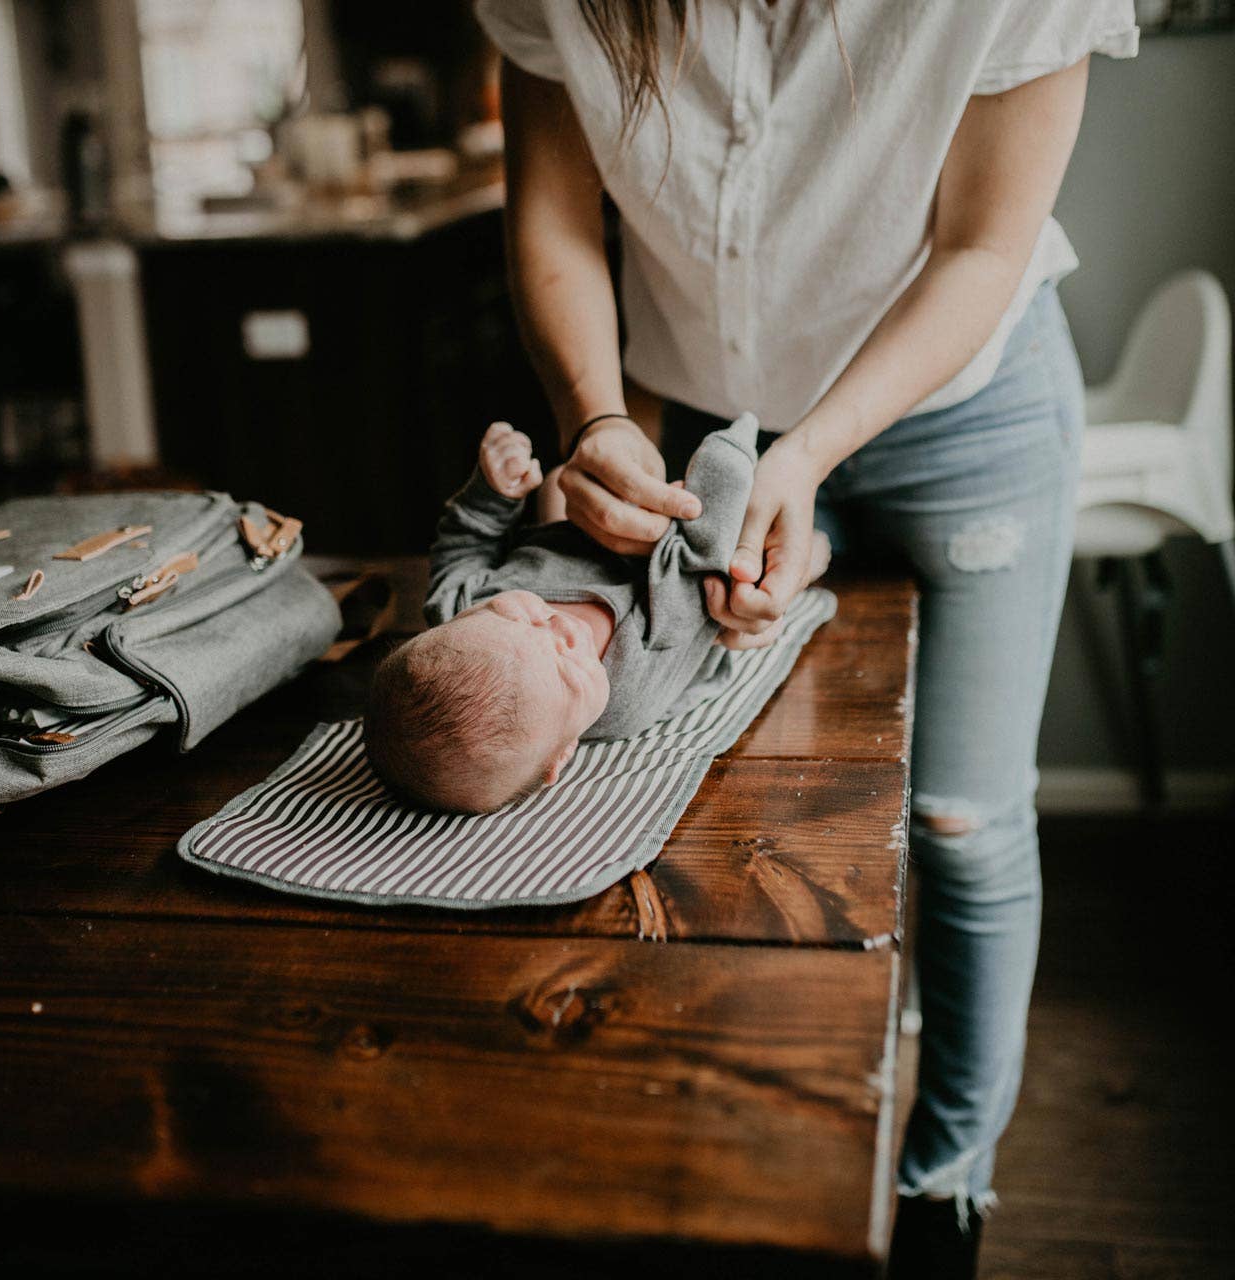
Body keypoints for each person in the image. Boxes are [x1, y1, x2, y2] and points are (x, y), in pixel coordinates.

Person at [473, 0, 1139, 1273]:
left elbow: (982, 246)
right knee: (730, 801)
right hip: (701, 423)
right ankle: (749, 1150)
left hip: (964, 420)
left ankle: (946, 1181)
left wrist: (816, 452)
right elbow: (555, 213)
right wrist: (594, 414)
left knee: (959, 814)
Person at [365, 415, 828, 812]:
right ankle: (814, 557)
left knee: (556, 482)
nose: (559, 627)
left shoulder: (455, 605)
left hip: (576, 534)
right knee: (770, 570)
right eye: (566, 667)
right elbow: (695, 580)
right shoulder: (626, 693)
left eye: (513, 615)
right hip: (677, 589)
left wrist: (492, 494)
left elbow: (464, 545)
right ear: (561, 754)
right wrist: (719, 475)